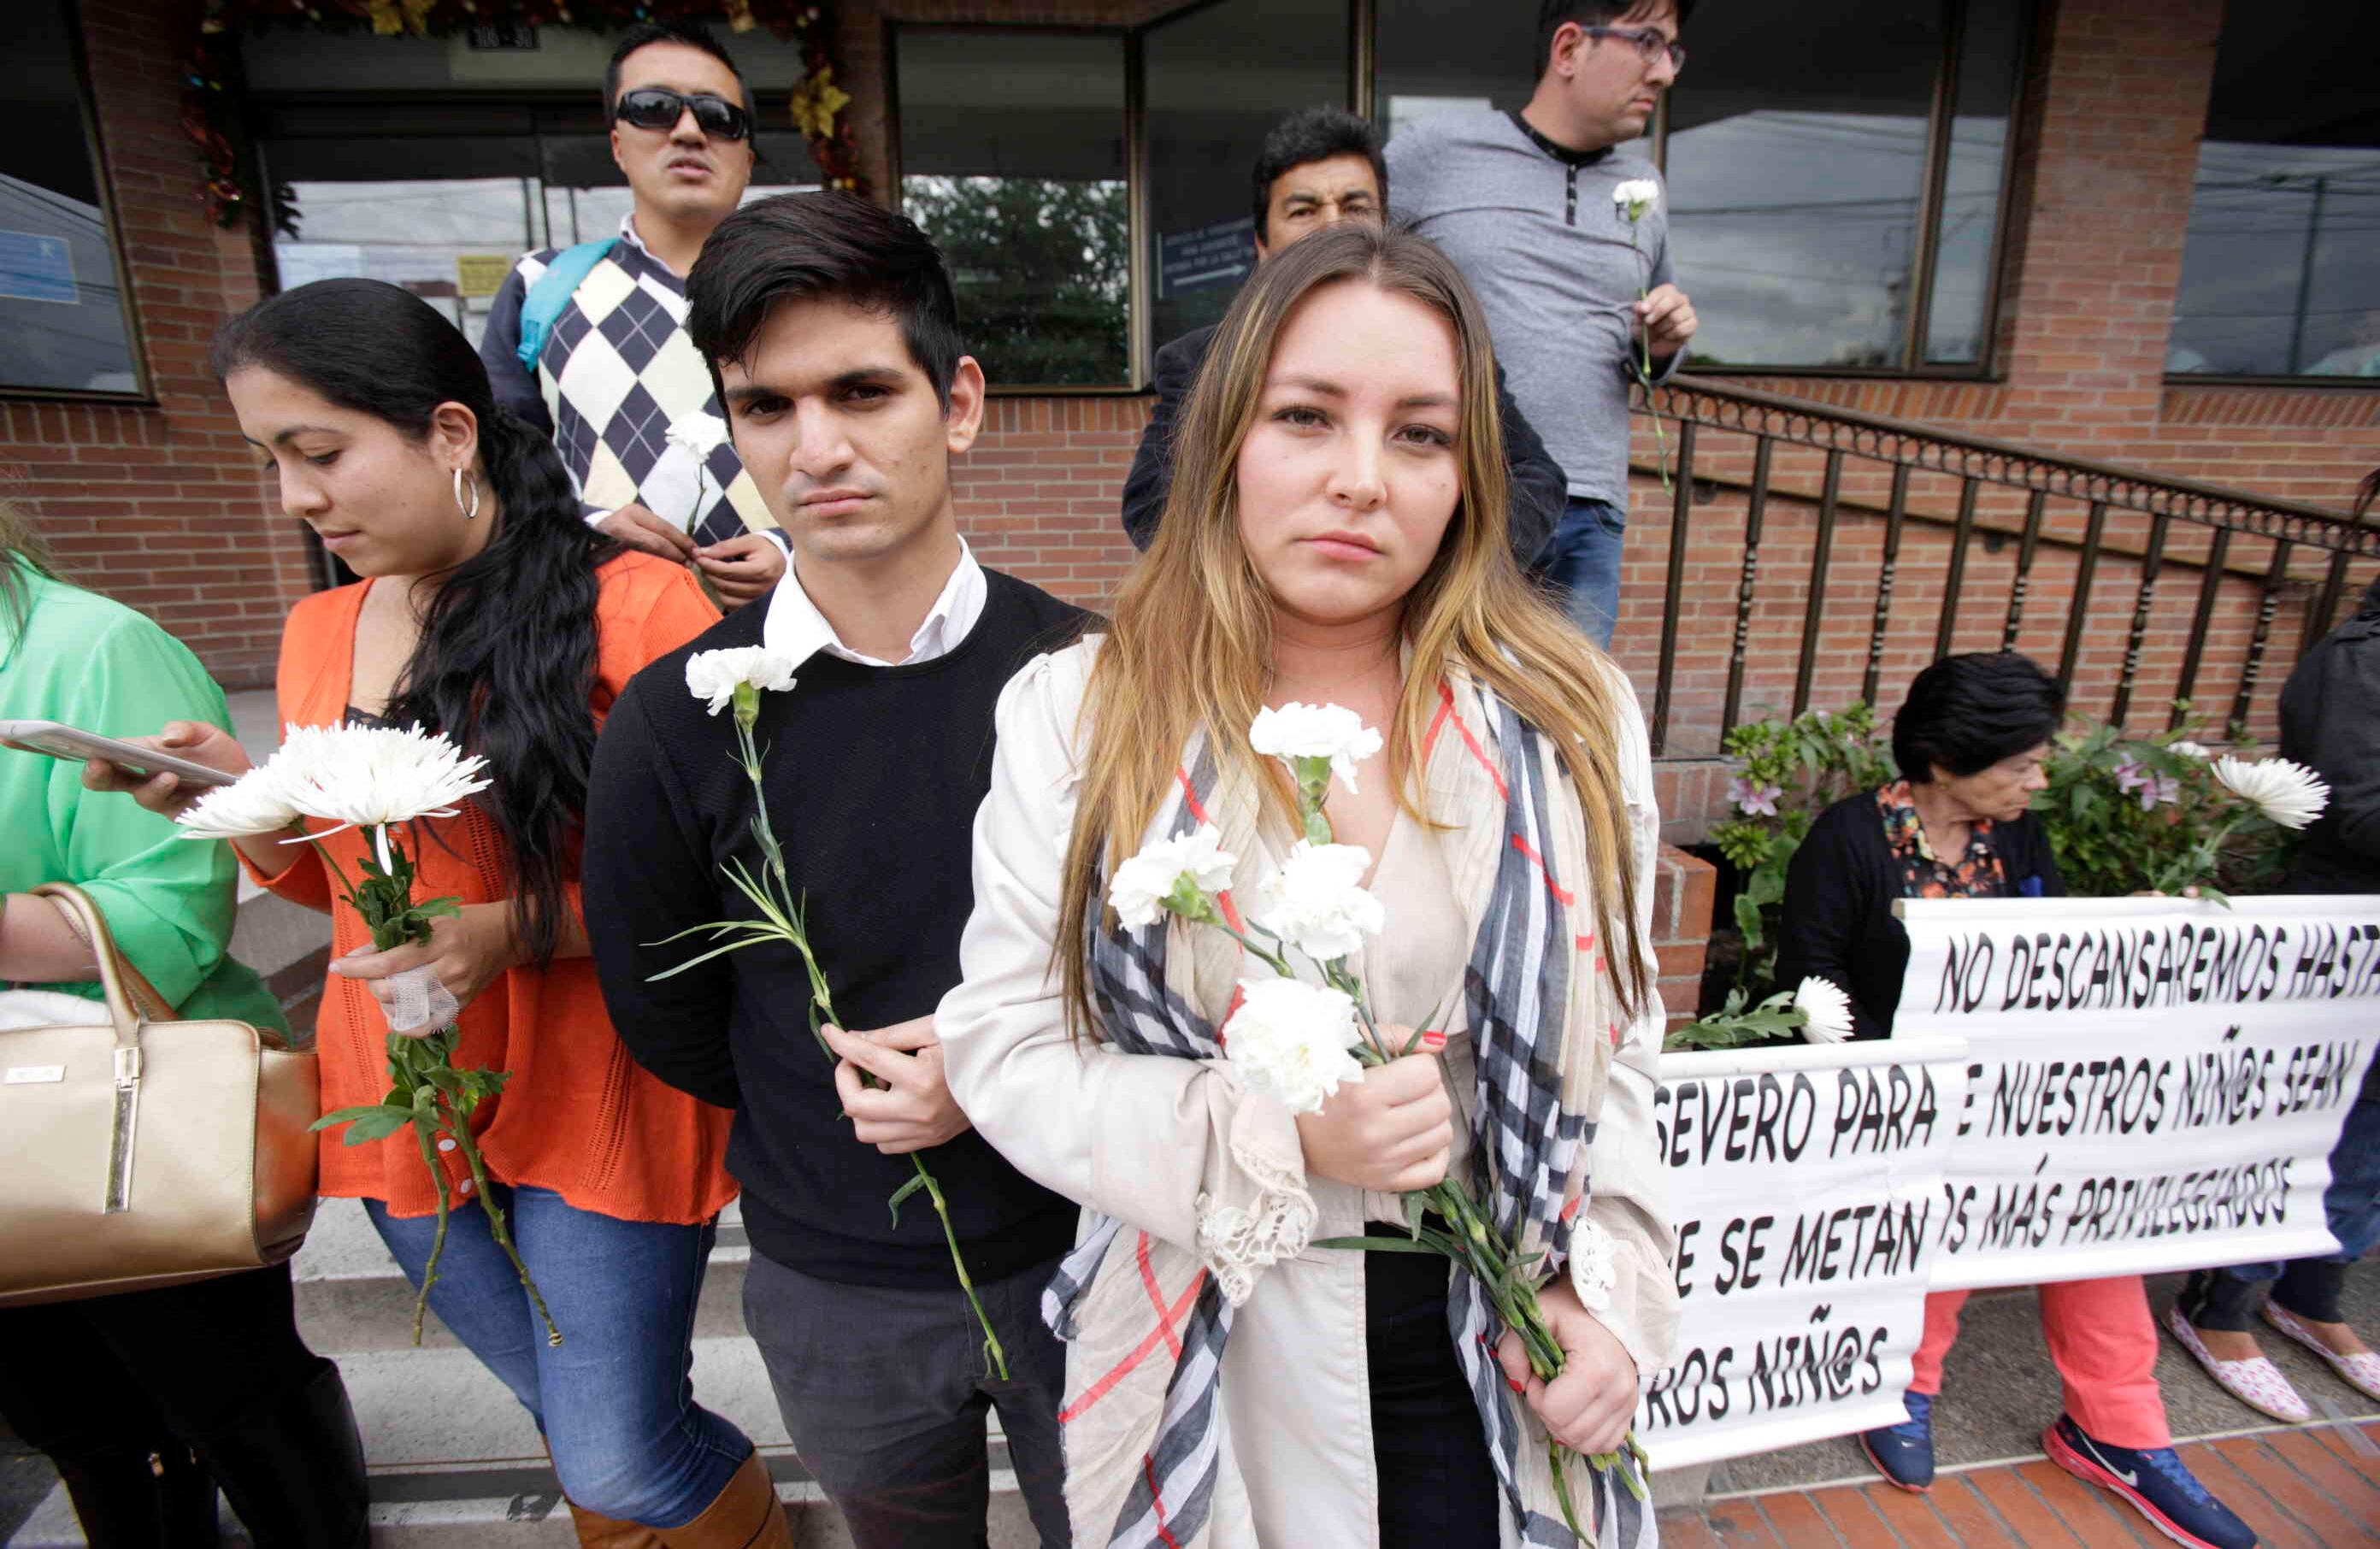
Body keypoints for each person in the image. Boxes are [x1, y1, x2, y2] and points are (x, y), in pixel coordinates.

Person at [937, 221, 1676, 1549]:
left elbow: (1617, 1047)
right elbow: (1007, 1045)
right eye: (1307, 417)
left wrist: (1598, 1290)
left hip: (1495, 1364)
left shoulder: (1572, 718)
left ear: (1471, 475)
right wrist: (1279, 1138)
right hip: (1216, 1354)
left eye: (1419, 435)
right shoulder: (1085, 714)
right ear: (1226, 438)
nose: (1360, 481)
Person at [91, 279, 786, 1548]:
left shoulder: (635, 605)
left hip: (596, 1075)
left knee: (618, 1449)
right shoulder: (319, 629)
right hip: (399, 1087)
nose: (298, 497)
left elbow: (743, 878)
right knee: (573, 1419)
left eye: (322, 453)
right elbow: (337, 881)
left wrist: (511, 931)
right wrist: (234, 804)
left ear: (451, 433)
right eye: (272, 463)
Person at [583, 191, 1084, 1549]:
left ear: (959, 401)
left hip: (1089, 1245)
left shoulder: (1096, 679)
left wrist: (994, 1075)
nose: (817, 448)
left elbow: (1167, 970)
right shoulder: (676, 716)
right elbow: (666, 1006)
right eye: (766, 407)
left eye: (862, 390)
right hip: (835, 1274)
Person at [1773, 651, 2257, 1549]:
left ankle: (2120, 1431)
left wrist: (2139, 930)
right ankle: (1905, 1384)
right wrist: (1900, 1078)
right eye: (2021, 765)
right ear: (1948, 760)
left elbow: (2048, 951)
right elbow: (1808, 978)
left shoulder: (2016, 836)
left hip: (2013, 1090)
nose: (2038, 781)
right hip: (1895, 1100)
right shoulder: (1849, 839)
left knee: (2094, 1208)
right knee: (1959, 1185)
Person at [0, 503, 368, 1546]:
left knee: (218, 1381)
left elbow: (170, 913)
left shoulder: (92, 650)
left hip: (133, 1108)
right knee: (57, 1409)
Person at [1121, 106, 1565, 569]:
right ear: (1262, 245)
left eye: (1355, 207)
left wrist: (1435, 564)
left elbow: (1536, 479)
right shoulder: (1198, 360)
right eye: (1303, 210)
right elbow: (1153, 503)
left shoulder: (1449, 355)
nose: (1334, 226)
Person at [1386, 1, 1700, 647]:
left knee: (1567, 724)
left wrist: (1661, 343)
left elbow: (1645, 340)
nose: (1665, 71)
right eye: (1648, 42)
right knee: (1441, 706)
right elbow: (1354, 270)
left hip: (1591, 506)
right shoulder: (1435, 152)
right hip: (1467, 487)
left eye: (1673, 50)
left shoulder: (1644, 184)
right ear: (1568, 48)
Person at [2168, 548, 2380, 1419]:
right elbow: (2354, 812)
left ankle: (2314, 1294)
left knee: (2371, 1130)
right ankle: (2221, 1307)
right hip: (2347, 934)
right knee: (2300, 1122)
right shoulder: (2356, 664)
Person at [479, 21, 787, 609]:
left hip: (792, 634)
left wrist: (790, 546)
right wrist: (588, 523)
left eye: (718, 117)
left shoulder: (810, 293)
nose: (690, 130)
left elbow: (861, 451)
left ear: (747, 156)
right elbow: (494, 466)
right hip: (600, 633)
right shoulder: (541, 287)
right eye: (655, 108)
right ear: (618, 143)